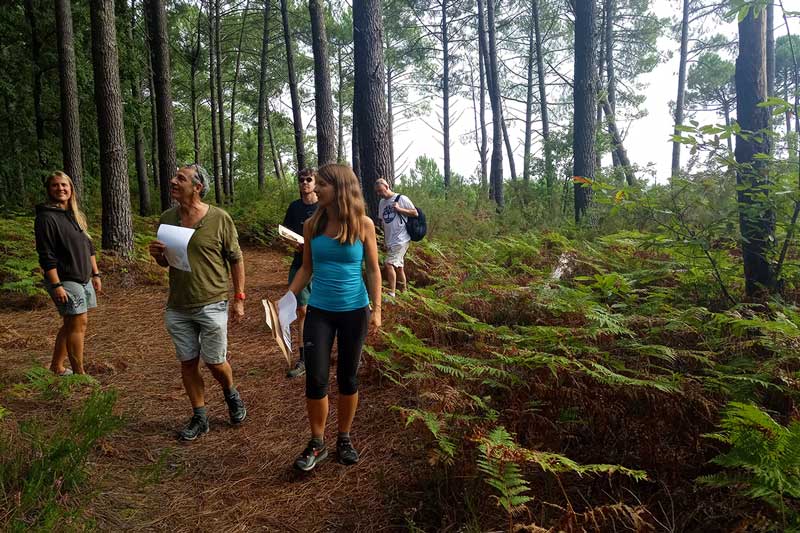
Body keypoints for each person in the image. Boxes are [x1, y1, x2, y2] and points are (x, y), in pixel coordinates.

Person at [288, 163, 381, 471]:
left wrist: (377, 309)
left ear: (340, 188)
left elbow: (372, 269)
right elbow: (306, 268)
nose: (316, 188)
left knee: (348, 378)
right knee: (315, 377)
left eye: (323, 184)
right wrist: (287, 300)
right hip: (320, 311)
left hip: (355, 311)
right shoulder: (312, 225)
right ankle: (317, 442)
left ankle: (344, 437)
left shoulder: (362, 224)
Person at [148, 164, 247, 441]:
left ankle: (231, 393)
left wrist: (239, 298)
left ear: (198, 187)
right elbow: (166, 262)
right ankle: (200, 416)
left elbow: (236, 259)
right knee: (188, 363)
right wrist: (157, 255)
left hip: (212, 301)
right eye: (175, 176)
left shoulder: (219, 218)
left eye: (181, 178)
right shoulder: (167, 218)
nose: (173, 180)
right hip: (178, 305)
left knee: (215, 362)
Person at [35, 171, 102, 376]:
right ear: (49, 189)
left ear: (71, 188)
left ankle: (57, 366)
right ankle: (80, 374)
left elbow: (88, 247)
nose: (60, 189)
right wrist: (56, 285)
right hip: (65, 279)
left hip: (83, 278)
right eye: (55, 185)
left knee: (71, 323)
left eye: (64, 185)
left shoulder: (75, 215)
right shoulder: (46, 218)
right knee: (78, 324)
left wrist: (96, 274)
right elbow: (46, 255)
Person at [282, 167, 318, 378]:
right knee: (302, 310)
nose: (304, 183)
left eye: (308, 179)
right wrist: (293, 243)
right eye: (301, 180)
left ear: (315, 183)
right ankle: (304, 358)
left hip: (323, 265)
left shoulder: (323, 207)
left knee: (325, 309)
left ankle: (326, 351)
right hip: (300, 263)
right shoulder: (294, 207)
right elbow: (285, 232)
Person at [375, 178, 418, 299]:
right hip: (390, 239)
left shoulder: (401, 198)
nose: (379, 194)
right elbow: (383, 222)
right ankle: (404, 293)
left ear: (387, 187)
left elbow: (415, 213)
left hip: (401, 238)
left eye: (380, 191)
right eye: (377, 192)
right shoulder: (382, 203)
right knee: (399, 268)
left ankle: (391, 294)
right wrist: (385, 239)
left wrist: (399, 209)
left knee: (389, 264)